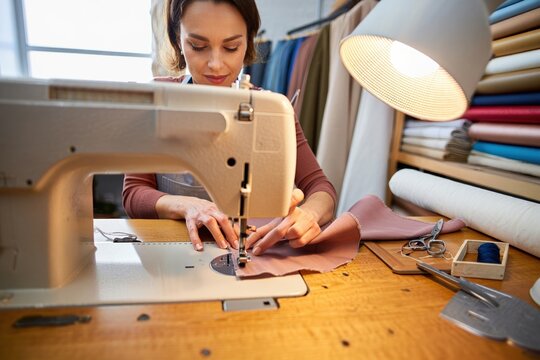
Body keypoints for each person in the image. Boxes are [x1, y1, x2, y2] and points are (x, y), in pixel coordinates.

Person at [123, 0, 336, 255]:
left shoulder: (272, 110)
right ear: (177, 38)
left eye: (231, 47)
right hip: (173, 252)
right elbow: (134, 193)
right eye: (198, 46)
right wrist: (187, 205)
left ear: (248, 43)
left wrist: (309, 215)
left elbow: (321, 188)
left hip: (252, 248)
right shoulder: (156, 99)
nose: (216, 64)